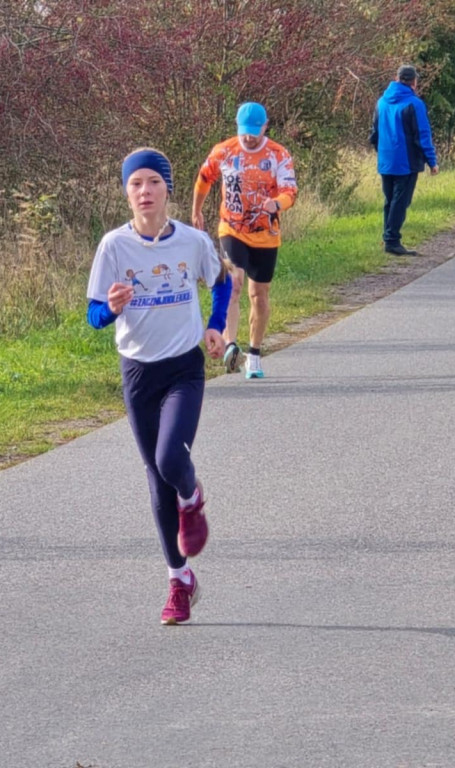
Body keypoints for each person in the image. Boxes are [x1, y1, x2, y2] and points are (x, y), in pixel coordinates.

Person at [86, 147, 232, 625]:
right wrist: (111, 307)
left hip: (184, 367)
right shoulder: (113, 247)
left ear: (167, 188)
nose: (144, 192)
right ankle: (179, 580)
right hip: (138, 372)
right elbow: (93, 317)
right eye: (135, 184)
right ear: (126, 193)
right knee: (154, 478)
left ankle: (192, 497)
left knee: (172, 460)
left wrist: (215, 325)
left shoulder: (191, 241)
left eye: (152, 182)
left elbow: (222, 281)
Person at [192, 101, 298, 380]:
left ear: (265, 126)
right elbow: (204, 179)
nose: (249, 137)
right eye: (244, 132)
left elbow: (291, 190)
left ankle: (254, 353)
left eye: (255, 131)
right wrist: (197, 209)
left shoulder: (278, 154)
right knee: (234, 281)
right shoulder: (224, 151)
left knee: (259, 295)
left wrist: (277, 204)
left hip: (266, 235)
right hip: (232, 228)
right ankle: (231, 345)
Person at [369, 64, 439, 256]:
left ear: (397, 77)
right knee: (401, 201)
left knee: (390, 200)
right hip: (406, 162)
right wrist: (432, 161)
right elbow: (422, 136)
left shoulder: (381, 102)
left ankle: (388, 238)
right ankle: (392, 241)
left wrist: (381, 152)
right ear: (414, 82)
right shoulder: (415, 104)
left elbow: (374, 133)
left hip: (386, 160)